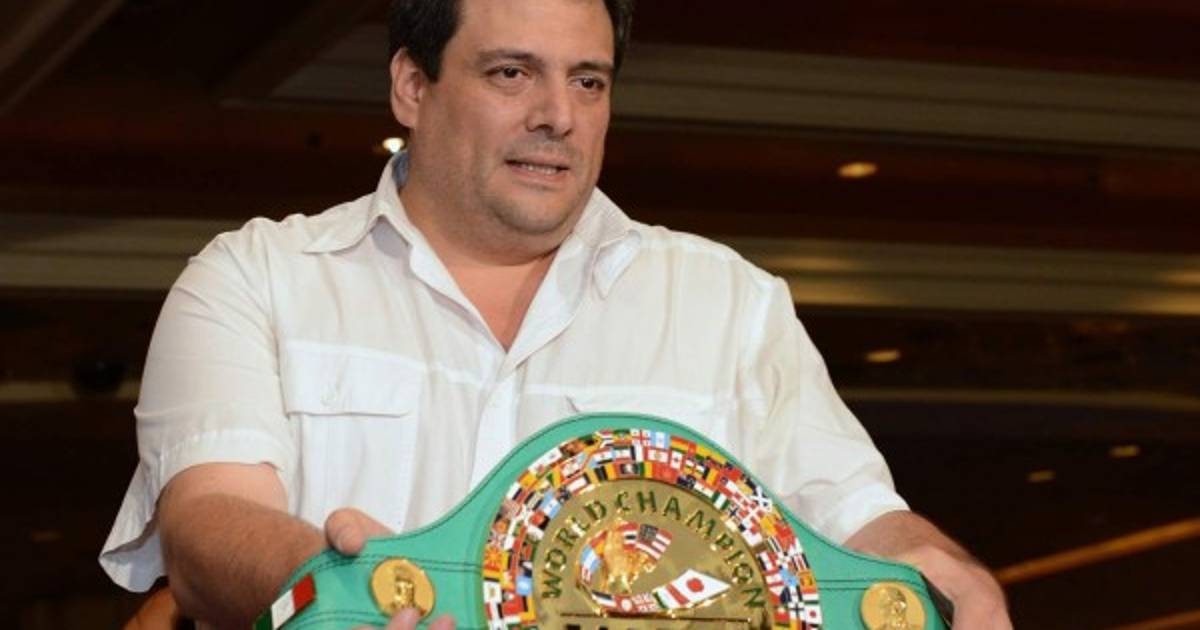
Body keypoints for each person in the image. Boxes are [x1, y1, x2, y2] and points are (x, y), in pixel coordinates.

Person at [99, 0, 1011, 628]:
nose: (558, 116)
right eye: (512, 73)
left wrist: (950, 572)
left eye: (588, 82)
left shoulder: (730, 303)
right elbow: (210, 522)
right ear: (412, 86)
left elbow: (858, 520)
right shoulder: (256, 279)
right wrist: (346, 593)